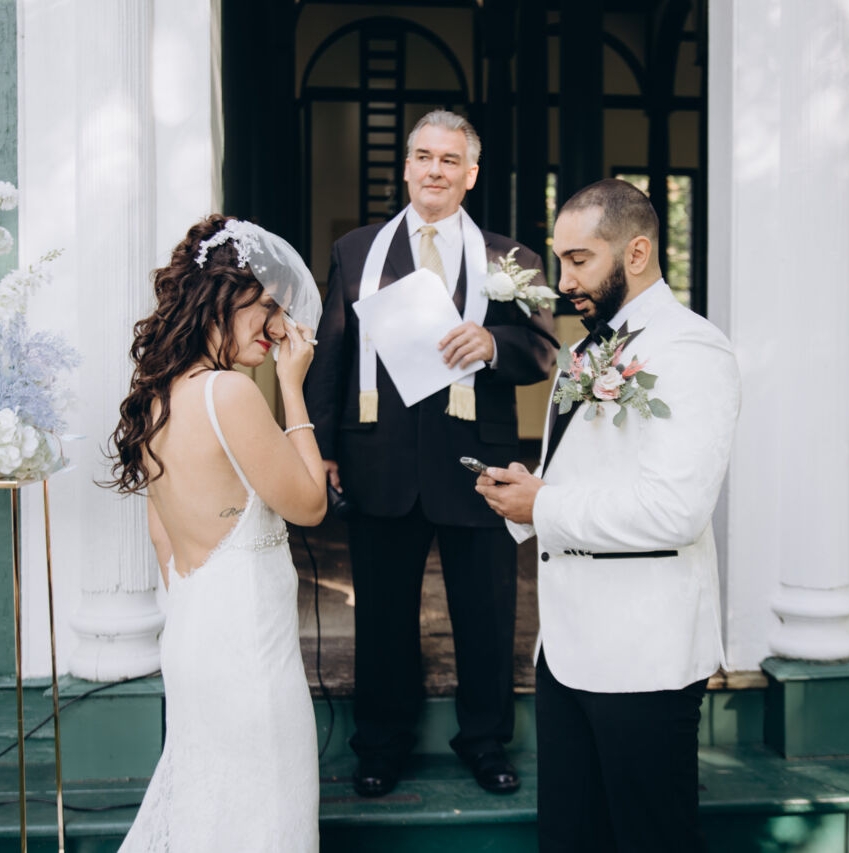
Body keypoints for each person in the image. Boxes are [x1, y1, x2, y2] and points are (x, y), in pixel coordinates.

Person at [475, 179, 741, 851]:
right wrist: (530, 493)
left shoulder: (691, 349)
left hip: (643, 652)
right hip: (568, 647)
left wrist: (545, 504)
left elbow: (676, 510)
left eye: (580, 260)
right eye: (560, 260)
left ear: (638, 252)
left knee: (650, 838)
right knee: (571, 836)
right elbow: (593, 472)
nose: (564, 280)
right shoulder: (592, 348)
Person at [305, 110, 557, 797]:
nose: (434, 170)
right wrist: (323, 447)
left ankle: (485, 740)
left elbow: (543, 351)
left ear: (470, 174)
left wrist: (495, 344)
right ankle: (381, 744)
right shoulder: (358, 250)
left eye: (449, 160)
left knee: (487, 612)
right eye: (423, 156)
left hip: (478, 463)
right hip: (378, 460)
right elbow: (332, 354)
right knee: (382, 615)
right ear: (407, 166)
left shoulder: (511, 259)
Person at [107, 215, 326, 852]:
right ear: (220, 299)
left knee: (210, 814)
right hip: (249, 656)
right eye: (268, 307)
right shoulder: (229, 393)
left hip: (194, 641)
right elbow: (310, 505)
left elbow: (162, 538)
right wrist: (292, 388)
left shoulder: (157, 395)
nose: (280, 328)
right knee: (268, 819)